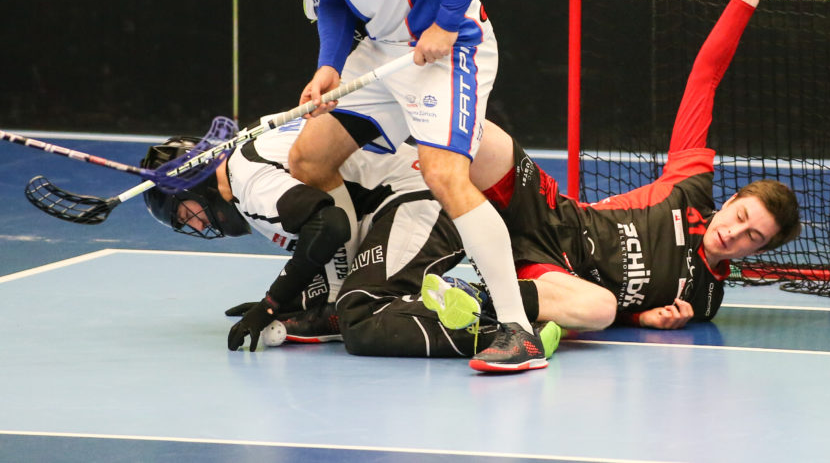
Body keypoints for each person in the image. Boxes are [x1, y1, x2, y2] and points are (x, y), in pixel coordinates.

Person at [220, 0, 542, 371]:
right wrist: (329, 65)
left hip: (445, 50)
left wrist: (446, 22)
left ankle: (520, 331)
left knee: (444, 175)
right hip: (383, 53)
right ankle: (337, 299)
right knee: (309, 159)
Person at [425, 0, 802, 332]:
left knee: (600, 309)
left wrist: (639, 317)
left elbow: (618, 312)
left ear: (759, 250)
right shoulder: (690, 188)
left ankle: (472, 297)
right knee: (475, 133)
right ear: (732, 200)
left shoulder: (702, 300)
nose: (733, 233)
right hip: (548, 213)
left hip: (555, 275)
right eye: (741, 217)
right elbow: (704, 79)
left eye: (752, 236)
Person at [141, 121, 559, 362]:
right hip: (389, 202)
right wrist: (292, 301)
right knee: (326, 302)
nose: (195, 224)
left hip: (421, 198)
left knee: (361, 320)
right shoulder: (242, 164)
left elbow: (330, 227)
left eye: (185, 213)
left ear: (196, 185)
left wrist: (271, 302)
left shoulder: (249, 182)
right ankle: (501, 305)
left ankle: (512, 325)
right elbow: (322, 234)